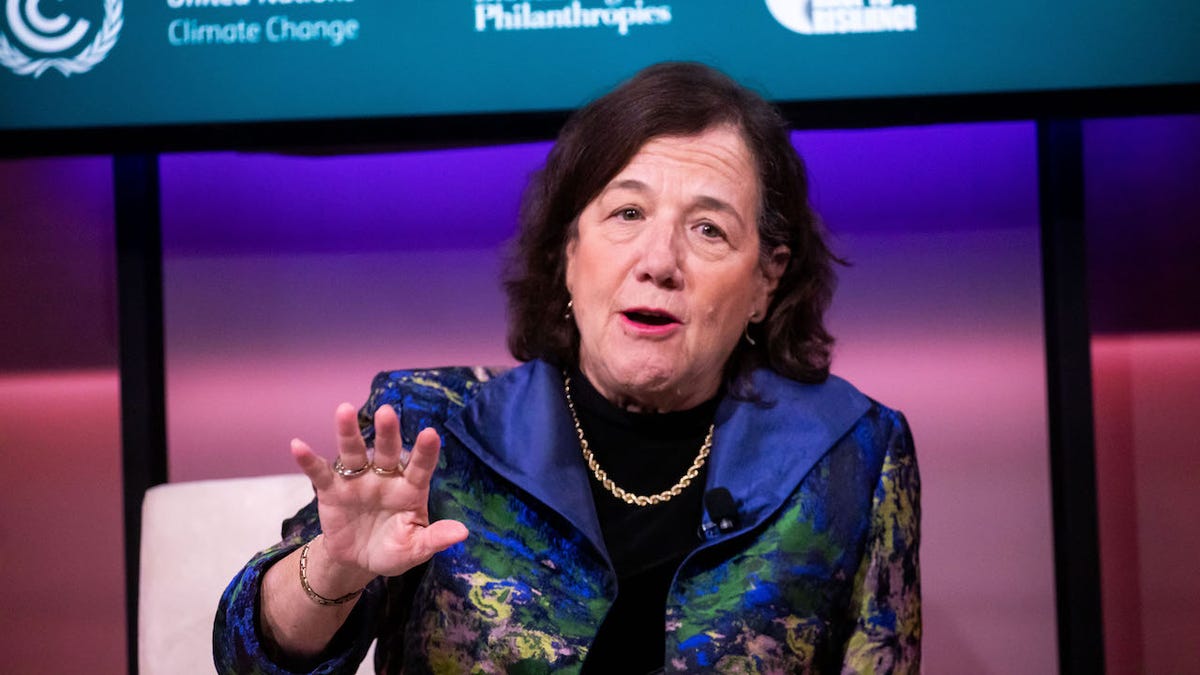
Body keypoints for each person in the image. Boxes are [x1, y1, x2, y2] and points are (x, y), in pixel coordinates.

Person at [214, 62, 920, 674]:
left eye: (709, 228)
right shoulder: (433, 426)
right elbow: (251, 659)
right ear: (567, 254)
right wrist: (336, 568)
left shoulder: (851, 452)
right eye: (626, 213)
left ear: (766, 280)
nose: (659, 260)